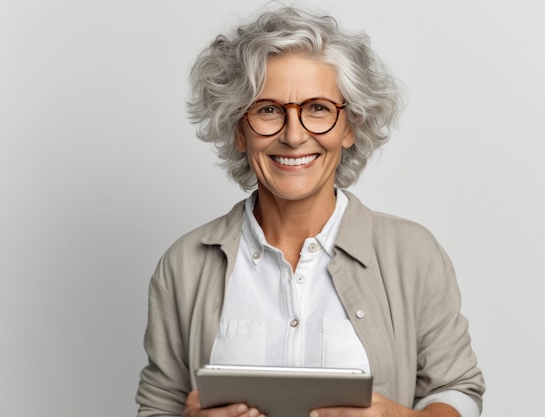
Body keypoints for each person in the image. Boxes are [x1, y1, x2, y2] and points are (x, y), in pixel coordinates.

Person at [135, 6, 485, 417]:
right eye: (268, 109)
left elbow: (457, 389)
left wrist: (398, 416)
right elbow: (158, 405)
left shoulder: (411, 254)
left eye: (318, 108)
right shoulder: (185, 264)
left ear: (350, 125)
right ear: (238, 129)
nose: (295, 135)